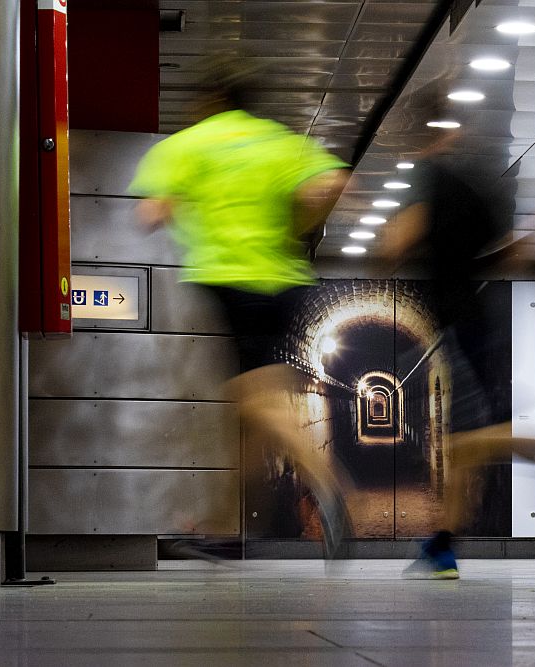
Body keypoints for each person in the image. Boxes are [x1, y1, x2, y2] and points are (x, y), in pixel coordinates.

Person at [128, 58, 353, 557]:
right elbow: (334, 183)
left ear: (209, 102)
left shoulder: (191, 143)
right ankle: (227, 529)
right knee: (249, 414)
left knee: (252, 401)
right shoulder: (281, 141)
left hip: (231, 279)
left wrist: (182, 211)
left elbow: (150, 211)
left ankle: (326, 482)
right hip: (287, 280)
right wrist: (297, 225)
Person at [381, 95, 535, 579]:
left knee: (468, 441)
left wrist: (394, 239)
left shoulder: (430, 180)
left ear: (417, 132)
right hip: (478, 322)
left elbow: (396, 243)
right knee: (459, 441)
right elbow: (499, 258)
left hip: (457, 323)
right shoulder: (476, 187)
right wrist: (531, 241)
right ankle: (442, 547)